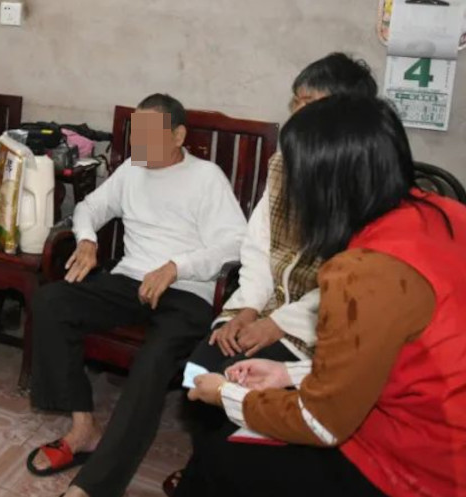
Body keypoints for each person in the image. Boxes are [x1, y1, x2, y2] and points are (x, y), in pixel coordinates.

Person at [177, 95, 466, 497]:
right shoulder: (445, 213)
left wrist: (227, 395)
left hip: (417, 466)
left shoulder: (362, 272)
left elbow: (321, 422)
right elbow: (382, 360)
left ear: (322, 183)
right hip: (430, 422)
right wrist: (287, 375)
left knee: (220, 458)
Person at [164, 53, 379, 495]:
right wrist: (244, 310)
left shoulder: (362, 183)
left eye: (309, 104)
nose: (297, 114)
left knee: (234, 383)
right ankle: (207, 463)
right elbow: (258, 247)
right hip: (264, 304)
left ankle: (220, 467)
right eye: (295, 102)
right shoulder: (283, 164)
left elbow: (345, 287)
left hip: (315, 326)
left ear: (345, 116)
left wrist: (276, 325)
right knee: (200, 369)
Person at [27, 94, 247, 497]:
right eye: (136, 134)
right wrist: (88, 240)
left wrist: (176, 266)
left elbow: (234, 243)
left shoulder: (206, 177)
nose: (139, 143)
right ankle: (83, 427)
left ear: (178, 136)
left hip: (187, 292)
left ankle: (95, 486)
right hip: (130, 281)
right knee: (51, 302)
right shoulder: (132, 169)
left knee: (153, 360)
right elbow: (89, 208)